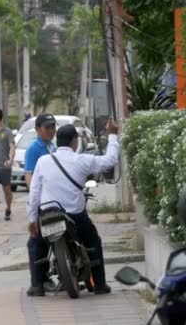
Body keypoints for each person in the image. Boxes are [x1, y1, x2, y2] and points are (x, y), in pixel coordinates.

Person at [27, 121, 120, 296]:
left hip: (48, 214)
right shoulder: (82, 160)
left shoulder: (43, 161)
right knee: (93, 240)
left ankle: (37, 286)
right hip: (76, 217)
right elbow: (110, 161)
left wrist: (32, 220)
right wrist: (113, 135)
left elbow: (34, 193)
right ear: (74, 141)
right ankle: (99, 284)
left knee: (35, 243)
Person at [24, 113, 57, 296]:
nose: (51, 130)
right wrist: (35, 199)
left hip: (55, 200)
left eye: (53, 127)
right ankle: (38, 282)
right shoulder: (34, 149)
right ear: (37, 129)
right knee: (36, 241)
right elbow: (29, 176)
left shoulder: (52, 146)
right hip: (41, 202)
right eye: (47, 127)